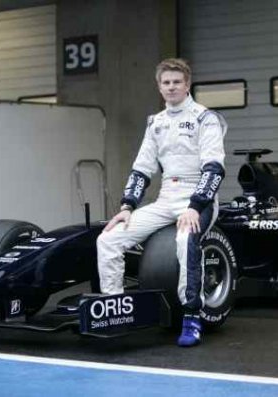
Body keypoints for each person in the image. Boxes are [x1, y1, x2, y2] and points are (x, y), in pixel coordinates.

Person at [96, 58, 227, 347]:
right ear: (159, 86)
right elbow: (142, 168)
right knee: (107, 239)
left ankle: (192, 317)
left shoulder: (206, 118)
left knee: (185, 240)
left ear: (187, 84)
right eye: (166, 82)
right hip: (166, 198)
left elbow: (214, 168)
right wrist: (126, 207)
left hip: (197, 198)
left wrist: (195, 206)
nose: (171, 87)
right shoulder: (156, 123)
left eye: (176, 82)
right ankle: (115, 311)